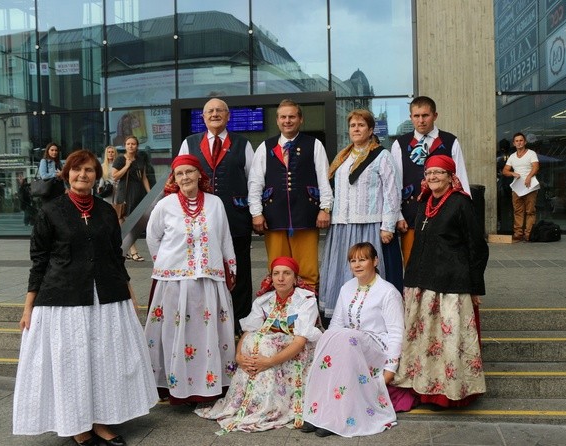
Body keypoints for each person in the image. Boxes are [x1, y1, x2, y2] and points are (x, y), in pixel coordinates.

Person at [13, 149, 158, 446]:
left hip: (105, 296)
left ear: (96, 175)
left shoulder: (106, 212)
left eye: (89, 170)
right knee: (72, 364)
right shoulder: (50, 211)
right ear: (67, 174)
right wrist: (28, 307)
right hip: (64, 300)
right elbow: (39, 261)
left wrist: (128, 291)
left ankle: (101, 421)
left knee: (103, 361)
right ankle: (78, 426)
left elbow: (115, 256)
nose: (83, 175)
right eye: (77, 170)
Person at [393, 155, 488, 408]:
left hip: (452, 285)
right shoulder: (424, 203)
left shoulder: (461, 204)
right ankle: (424, 388)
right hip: (423, 282)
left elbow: (477, 247)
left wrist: (475, 286)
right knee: (426, 341)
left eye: (439, 173)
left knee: (449, 342)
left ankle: (448, 393)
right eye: (429, 173)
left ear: (450, 177)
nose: (433, 177)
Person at [144, 154, 237, 407]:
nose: (184, 177)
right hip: (175, 281)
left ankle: (209, 384)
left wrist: (230, 267)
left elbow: (225, 236)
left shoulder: (216, 203)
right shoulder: (166, 205)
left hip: (208, 279)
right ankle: (173, 385)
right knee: (176, 333)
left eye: (189, 172)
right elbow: (152, 237)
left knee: (205, 334)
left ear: (199, 175)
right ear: (173, 179)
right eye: (179, 174)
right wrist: (166, 263)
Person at [196, 256, 322, 432]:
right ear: (271, 277)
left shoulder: (306, 300)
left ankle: (271, 405)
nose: (281, 278)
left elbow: (300, 342)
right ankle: (251, 403)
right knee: (254, 342)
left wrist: (269, 361)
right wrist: (239, 356)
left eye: (287, 273)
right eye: (276, 273)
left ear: (295, 278)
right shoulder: (264, 300)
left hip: (297, 352)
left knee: (266, 346)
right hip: (268, 351)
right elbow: (248, 332)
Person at [302, 242, 404, 437]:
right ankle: (319, 413)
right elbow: (336, 323)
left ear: (375, 261)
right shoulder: (347, 287)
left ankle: (337, 419)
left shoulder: (388, 292)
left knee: (347, 340)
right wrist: (330, 343)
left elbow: (396, 332)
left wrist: (390, 369)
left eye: (362, 259)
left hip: (376, 347)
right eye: (353, 260)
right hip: (350, 343)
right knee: (329, 337)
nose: (357, 265)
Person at [179, 98, 255, 334]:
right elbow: (179, 179)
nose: (214, 114)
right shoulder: (189, 143)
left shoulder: (243, 143)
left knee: (239, 273)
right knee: (205, 273)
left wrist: (255, 214)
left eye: (219, 110)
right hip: (199, 222)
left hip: (236, 219)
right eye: (209, 111)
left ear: (228, 116)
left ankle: (240, 324)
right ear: (203, 117)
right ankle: (206, 325)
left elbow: (253, 182)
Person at [319, 109, 402, 320]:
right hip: (342, 226)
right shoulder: (342, 156)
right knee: (343, 273)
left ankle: (370, 317)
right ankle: (344, 318)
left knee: (367, 272)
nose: (356, 129)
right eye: (353, 126)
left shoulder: (382, 156)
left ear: (371, 129)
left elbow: (392, 192)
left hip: (369, 225)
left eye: (361, 125)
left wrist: (388, 226)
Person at [248, 99, 333, 289]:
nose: (287, 120)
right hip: (274, 216)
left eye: (292, 116)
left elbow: (324, 179)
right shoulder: (265, 146)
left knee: (307, 270)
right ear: (277, 120)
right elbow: (255, 182)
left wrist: (325, 208)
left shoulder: (314, 144)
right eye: (283, 117)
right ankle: (281, 310)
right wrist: (256, 212)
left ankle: (308, 313)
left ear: (300, 119)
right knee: (278, 269)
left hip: (306, 214)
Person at [391, 96, 470, 266]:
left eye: (425, 115)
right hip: (410, 213)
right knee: (411, 264)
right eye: (416, 116)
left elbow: (461, 177)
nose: (421, 120)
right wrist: (397, 214)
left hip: (445, 212)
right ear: (411, 117)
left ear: (435, 115)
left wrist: (465, 213)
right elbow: (394, 185)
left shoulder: (450, 141)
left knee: (444, 262)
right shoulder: (400, 144)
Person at [112, 135, 151, 261]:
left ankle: (122, 249)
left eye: (133, 144)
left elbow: (144, 177)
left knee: (124, 224)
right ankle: (133, 251)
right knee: (130, 223)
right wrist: (126, 166)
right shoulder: (120, 159)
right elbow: (115, 176)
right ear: (125, 145)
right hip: (125, 193)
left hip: (137, 192)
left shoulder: (140, 159)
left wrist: (149, 193)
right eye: (128, 144)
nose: (130, 146)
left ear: (137, 146)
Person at [502, 132, 540, 241]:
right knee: (517, 211)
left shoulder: (531, 153)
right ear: (514, 143)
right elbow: (505, 170)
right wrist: (512, 173)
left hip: (530, 186)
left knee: (530, 211)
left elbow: (536, 167)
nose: (519, 143)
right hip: (517, 187)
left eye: (521, 140)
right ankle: (518, 234)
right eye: (517, 141)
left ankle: (528, 234)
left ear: (525, 142)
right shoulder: (512, 157)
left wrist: (529, 177)